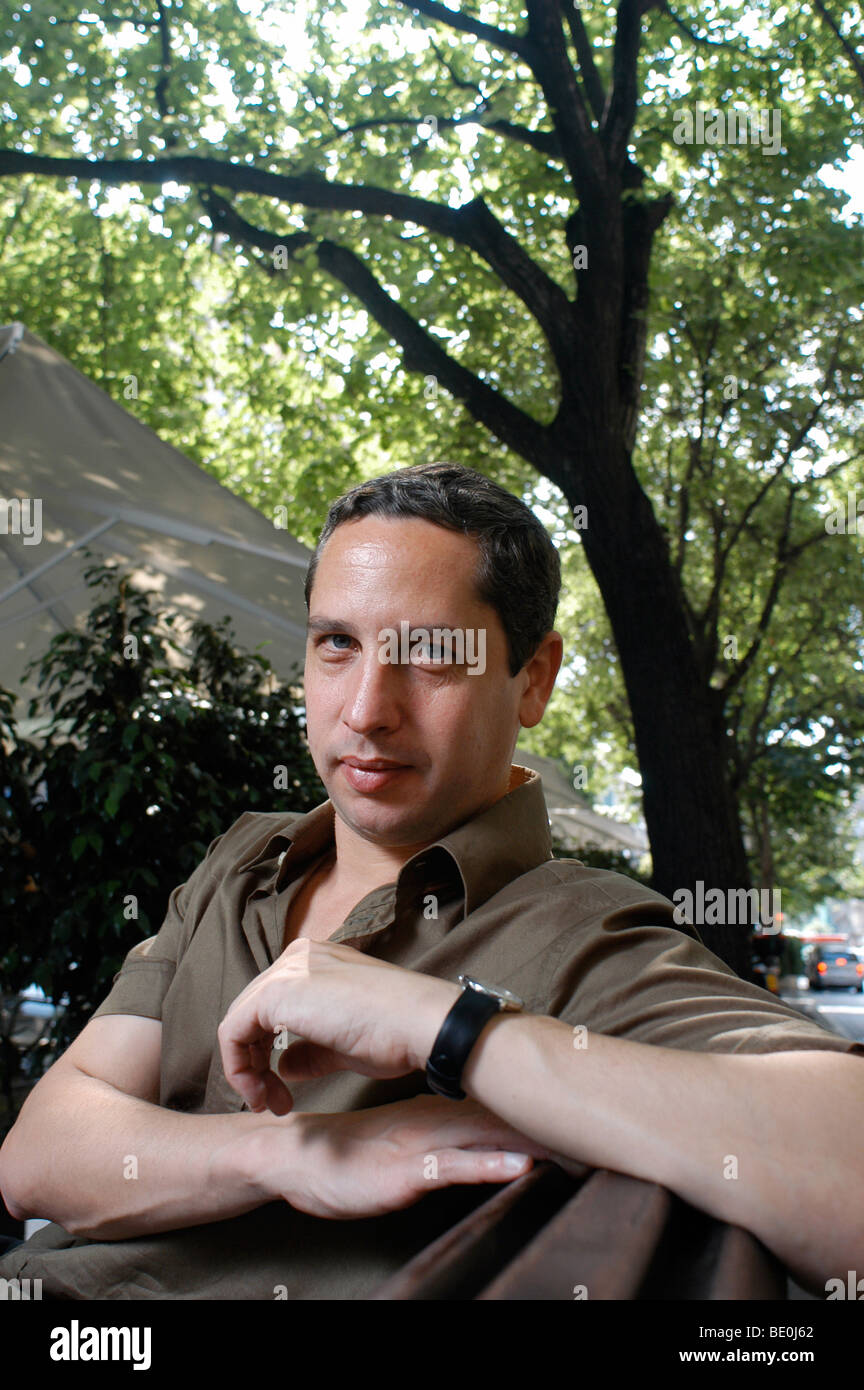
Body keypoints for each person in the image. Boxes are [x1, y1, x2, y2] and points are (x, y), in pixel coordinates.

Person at [0, 462, 861, 1301]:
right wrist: (290, 1152)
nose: (367, 707)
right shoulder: (244, 860)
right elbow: (36, 1159)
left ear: (534, 680)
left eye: (431, 654)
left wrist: (451, 1028)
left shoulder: (584, 935)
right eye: (337, 643)